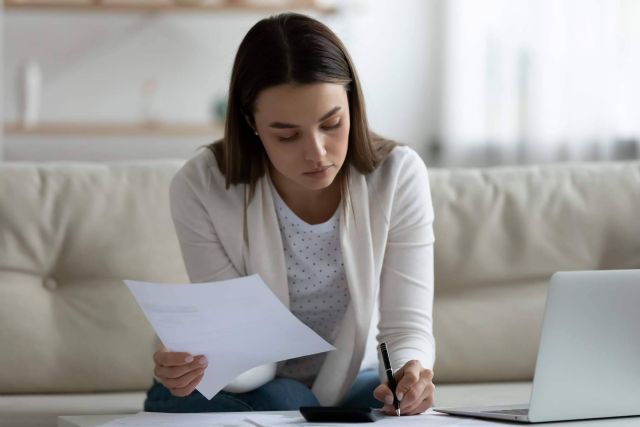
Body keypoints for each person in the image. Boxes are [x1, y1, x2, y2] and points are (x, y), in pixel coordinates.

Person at [145, 12, 436, 416]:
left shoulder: (397, 176)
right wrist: (190, 359)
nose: (316, 152)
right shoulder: (202, 186)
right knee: (287, 401)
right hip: (242, 379)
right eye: (287, 135)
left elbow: (406, 328)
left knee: (387, 405)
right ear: (252, 124)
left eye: (332, 123)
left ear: (352, 105)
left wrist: (410, 374)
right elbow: (241, 348)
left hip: (343, 377)